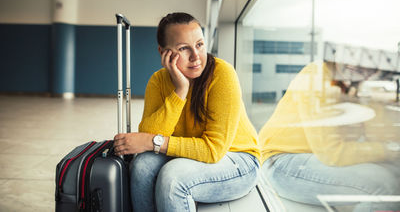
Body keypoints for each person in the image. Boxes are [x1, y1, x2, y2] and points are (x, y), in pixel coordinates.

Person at [113, 12, 260, 212]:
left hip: (237, 159)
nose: (196, 56)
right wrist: (180, 90)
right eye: (183, 48)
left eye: (199, 45)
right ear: (163, 52)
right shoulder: (158, 81)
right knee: (141, 167)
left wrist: (153, 142)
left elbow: (212, 150)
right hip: (192, 154)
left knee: (173, 178)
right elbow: (149, 133)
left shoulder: (222, 74)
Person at [259, 62, 400, 211]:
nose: (369, 71)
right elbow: (332, 153)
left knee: (396, 174)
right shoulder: (317, 77)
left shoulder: (349, 83)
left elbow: (374, 133)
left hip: (309, 156)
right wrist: (390, 150)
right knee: (386, 186)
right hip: (282, 163)